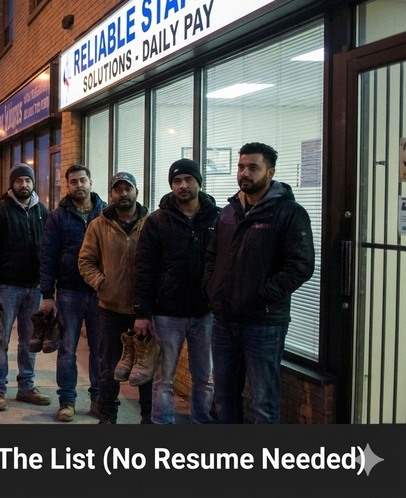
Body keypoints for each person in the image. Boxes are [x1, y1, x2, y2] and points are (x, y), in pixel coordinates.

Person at [205, 142, 314, 424]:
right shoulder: (229, 212)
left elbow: (300, 265)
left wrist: (262, 295)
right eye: (241, 167)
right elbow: (212, 255)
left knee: (263, 402)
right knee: (225, 396)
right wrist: (212, 288)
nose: (245, 173)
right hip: (224, 320)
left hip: (263, 324)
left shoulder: (288, 212)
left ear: (270, 172)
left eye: (253, 167)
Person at [134, 159, 220, 424]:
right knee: (163, 379)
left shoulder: (218, 218)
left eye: (188, 179)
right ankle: (163, 424)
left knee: (204, 378)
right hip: (166, 314)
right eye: (177, 181)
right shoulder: (157, 221)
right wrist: (143, 313)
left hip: (205, 313)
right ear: (171, 185)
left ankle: (201, 423)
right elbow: (144, 268)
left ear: (198, 182)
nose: (183, 185)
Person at [79, 171, 151, 424]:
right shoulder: (98, 225)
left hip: (144, 310)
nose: (123, 194)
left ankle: (148, 418)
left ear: (136, 192)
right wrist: (102, 284)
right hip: (110, 309)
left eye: (127, 189)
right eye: (118, 190)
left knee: (145, 369)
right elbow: (85, 261)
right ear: (111, 194)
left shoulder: (152, 222)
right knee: (109, 367)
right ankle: (107, 416)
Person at [40, 164, 106, 422]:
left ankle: (98, 398)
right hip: (69, 292)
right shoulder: (58, 216)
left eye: (82, 180)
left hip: (101, 292)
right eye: (73, 182)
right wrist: (47, 294)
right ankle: (67, 401)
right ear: (67, 185)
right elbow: (47, 256)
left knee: (100, 350)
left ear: (91, 182)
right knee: (67, 349)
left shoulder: (105, 212)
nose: (79, 185)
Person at [0, 163, 51, 411]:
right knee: (0, 341)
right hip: (5, 288)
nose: (24, 185)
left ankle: (26, 387)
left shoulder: (42, 211)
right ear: (11, 184)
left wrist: (48, 285)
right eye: (19, 180)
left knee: (30, 341)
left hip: (34, 288)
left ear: (34, 184)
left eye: (28, 181)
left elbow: (49, 250)